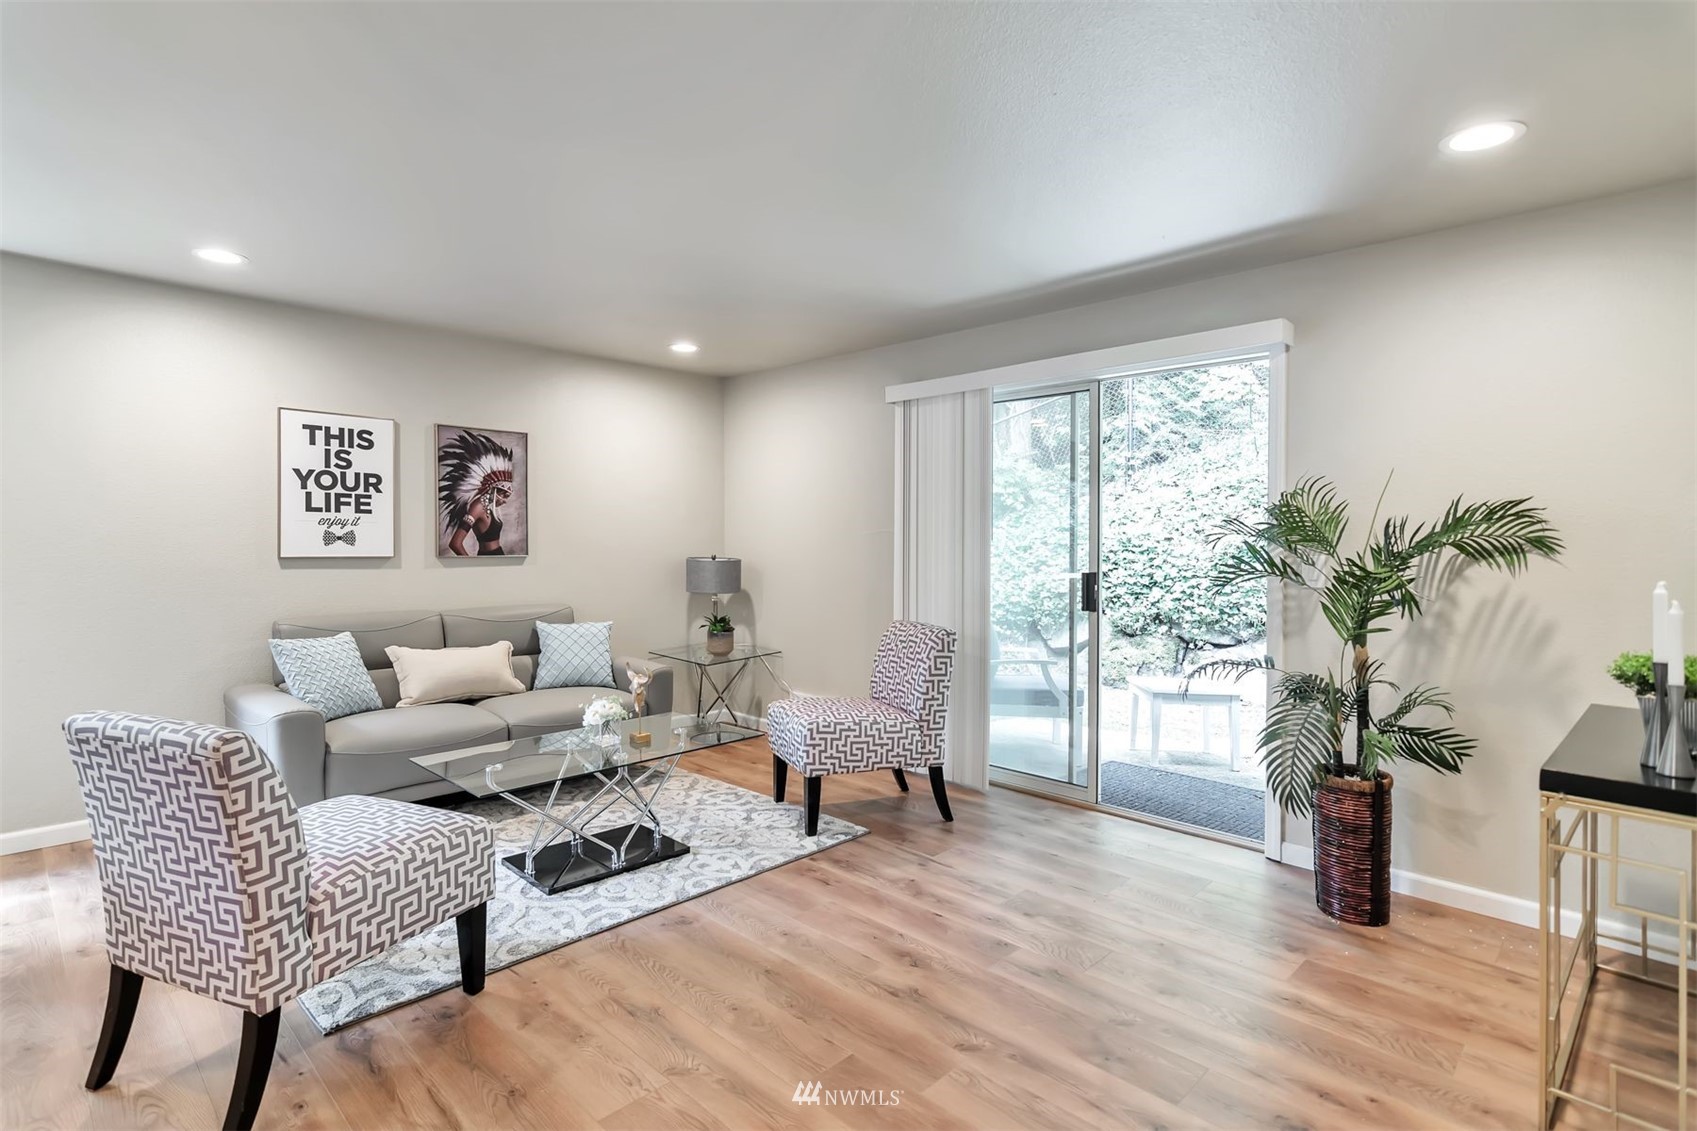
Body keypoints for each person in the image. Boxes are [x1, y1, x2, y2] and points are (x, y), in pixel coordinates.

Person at [437, 430, 516, 556]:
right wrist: (470, 564)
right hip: (488, 559)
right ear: (494, 490)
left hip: (498, 556)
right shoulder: (478, 506)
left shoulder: (488, 506)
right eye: (504, 495)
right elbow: (455, 543)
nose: (505, 501)